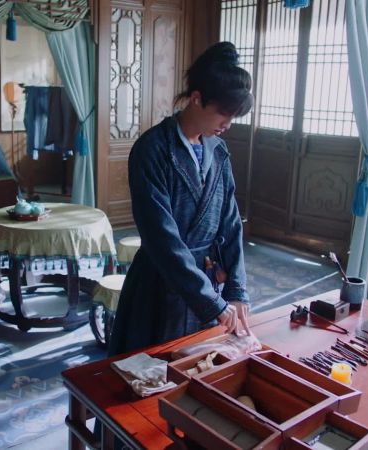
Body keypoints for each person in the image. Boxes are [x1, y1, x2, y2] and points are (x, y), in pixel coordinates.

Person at [108, 42, 253, 356]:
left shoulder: (218, 151)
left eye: (233, 116)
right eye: (224, 113)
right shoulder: (152, 150)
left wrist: (236, 290)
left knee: (199, 368)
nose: (228, 124)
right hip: (160, 282)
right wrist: (210, 300)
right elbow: (162, 239)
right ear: (197, 99)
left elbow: (230, 223)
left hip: (206, 281)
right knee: (151, 372)